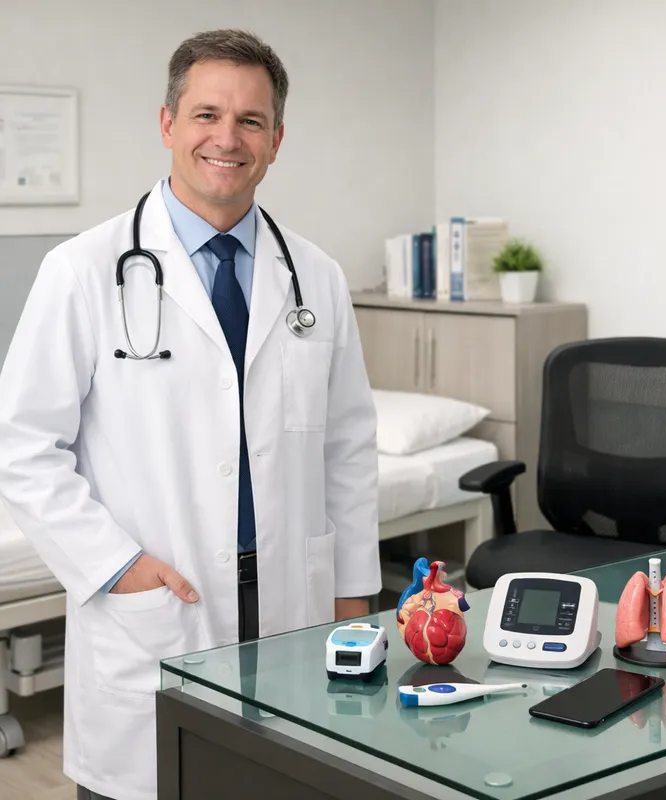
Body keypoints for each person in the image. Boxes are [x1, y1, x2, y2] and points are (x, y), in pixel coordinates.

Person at [0, 28, 381, 800]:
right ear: (168, 124)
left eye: (250, 120)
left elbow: (347, 448)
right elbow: (22, 445)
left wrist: (351, 596)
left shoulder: (318, 276)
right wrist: (117, 567)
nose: (227, 138)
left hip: (292, 614)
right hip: (156, 608)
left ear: (276, 139)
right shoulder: (82, 271)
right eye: (207, 114)